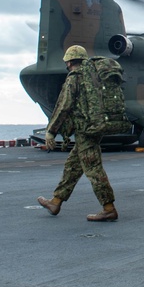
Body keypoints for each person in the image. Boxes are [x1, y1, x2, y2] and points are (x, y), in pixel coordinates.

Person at [37, 46, 118, 222]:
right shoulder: (94, 77)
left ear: (68, 61)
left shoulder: (74, 78)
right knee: (73, 167)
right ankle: (56, 201)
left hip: (85, 130)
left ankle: (109, 208)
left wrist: (51, 131)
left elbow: (64, 106)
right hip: (96, 127)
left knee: (93, 169)